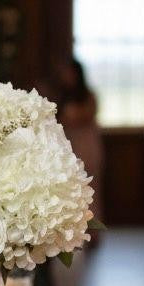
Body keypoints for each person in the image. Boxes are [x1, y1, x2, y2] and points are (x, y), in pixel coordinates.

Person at [55, 58, 104, 219]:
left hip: (86, 145)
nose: (66, 76)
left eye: (69, 73)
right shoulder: (61, 96)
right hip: (68, 145)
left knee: (90, 188)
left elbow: (85, 116)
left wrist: (72, 116)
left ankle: (92, 226)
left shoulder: (88, 96)